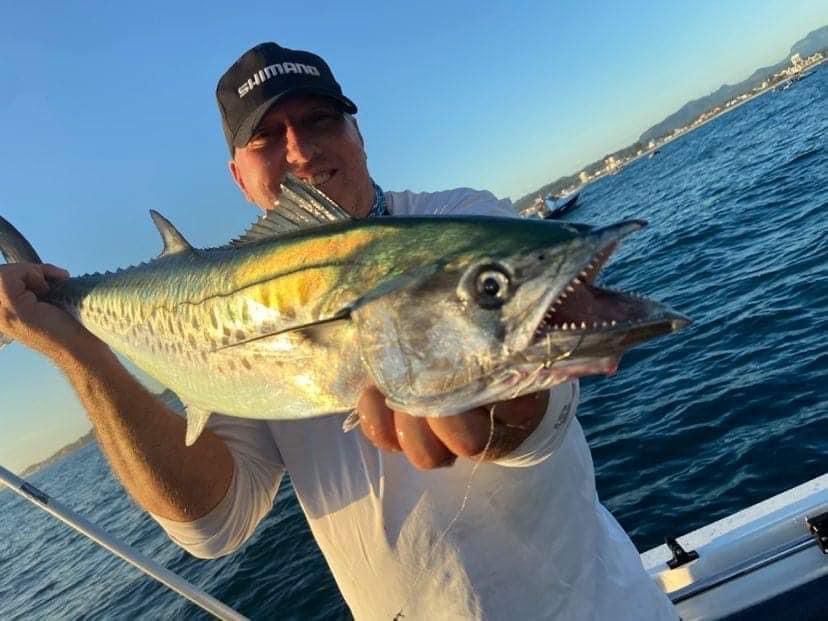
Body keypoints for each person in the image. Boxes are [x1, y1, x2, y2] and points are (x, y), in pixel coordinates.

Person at [0, 42, 677, 620]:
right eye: (265, 137)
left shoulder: (458, 219)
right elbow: (214, 523)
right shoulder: (218, 293)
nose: (300, 148)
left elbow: (542, 416)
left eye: (321, 119)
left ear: (358, 134)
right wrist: (77, 351)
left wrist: (504, 408)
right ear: (239, 176)